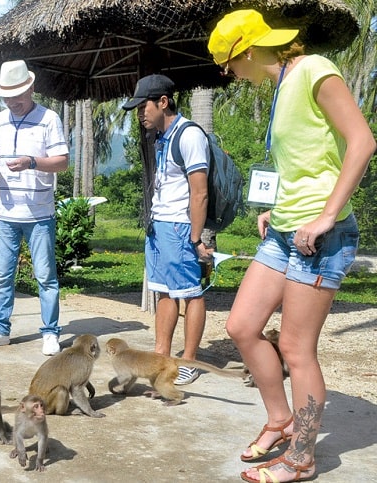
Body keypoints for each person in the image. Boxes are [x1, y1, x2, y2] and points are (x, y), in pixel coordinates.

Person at [208, 10, 375, 483]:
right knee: (242, 326)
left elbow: (362, 142)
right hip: (283, 230)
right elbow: (305, 161)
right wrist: (275, 206)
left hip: (322, 235)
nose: (230, 75)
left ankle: (302, 457)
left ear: (245, 52)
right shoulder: (282, 87)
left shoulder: (315, 70)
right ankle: (280, 419)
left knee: (298, 350)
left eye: (227, 64)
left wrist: (325, 215)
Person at [0, 60, 69, 356]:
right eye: (7, 96)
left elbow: (63, 162)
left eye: (17, 95)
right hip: (5, 211)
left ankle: (50, 332)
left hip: (39, 213)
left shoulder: (49, 118)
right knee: (2, 275)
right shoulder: (0, 119)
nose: (12, 102)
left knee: (45, 276)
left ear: (30, 89)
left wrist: (31, 162)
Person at [121, 74, 211, 385]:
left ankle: (189, 360)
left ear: (163, 102)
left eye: (143, 106)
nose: (140, 113)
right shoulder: (162, 137)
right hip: (159, 226)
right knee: (163, 290)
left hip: (180, 226)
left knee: (190, 293)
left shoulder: (189, 135)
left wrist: (196, 238)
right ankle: (161, 355)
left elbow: (199, 192)